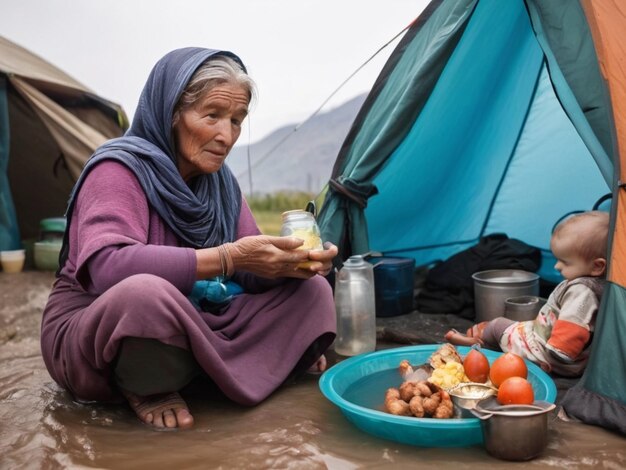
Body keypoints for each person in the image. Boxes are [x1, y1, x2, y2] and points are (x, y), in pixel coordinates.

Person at [40, 47, 338, 430]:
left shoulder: (220, 185)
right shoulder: (118, 169)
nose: (225, 135)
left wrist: (290, 264)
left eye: (236, 120)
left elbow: (250, 269)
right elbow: (108, 268)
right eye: (212, 115)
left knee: (311, 291)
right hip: (102, 328)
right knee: (144, 295)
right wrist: (230, 258)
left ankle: (201, 370)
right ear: (171, 113)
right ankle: (149, 385)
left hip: (193, 319)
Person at [445, 211, 609, 377]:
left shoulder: (582, 291)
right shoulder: (600, 284)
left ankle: (474, 345)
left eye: (565, 262)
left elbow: (570, 332)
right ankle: (478, 339)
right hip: (551, 342)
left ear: (597, 266)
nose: (557, 267)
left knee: (497, 325)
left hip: (548, 354)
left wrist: (556, 355)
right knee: (510, 327)